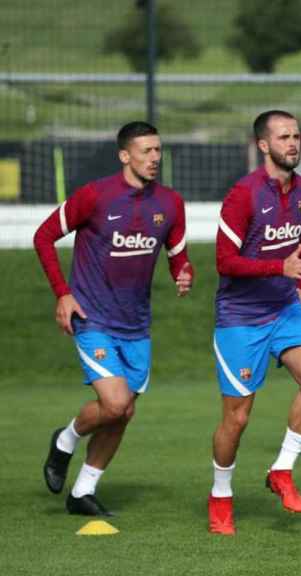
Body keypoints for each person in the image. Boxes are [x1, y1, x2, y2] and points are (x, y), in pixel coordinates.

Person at [37, 121, 192, 516]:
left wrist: (183, 273)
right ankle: (65, 441)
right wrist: (63, 294)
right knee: (114, 402)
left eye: (158, 150)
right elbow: (43, 236)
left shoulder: (171, 203)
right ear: (125, 155)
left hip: (136, 325)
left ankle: (82, 492)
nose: (154, 158)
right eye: (146, 151)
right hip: (93, 317)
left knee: (123, 412)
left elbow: (177, 254)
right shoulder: (95, 196)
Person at [207, 110, 301, 535]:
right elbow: (225, 262)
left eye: (296, 136)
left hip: (285, 310)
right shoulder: (242, 195)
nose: (293, 143)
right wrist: (281, 268)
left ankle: (282, 470)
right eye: (283, 138)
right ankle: (221, 495)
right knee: (237, 420)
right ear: (263, 145)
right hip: (240, 317)